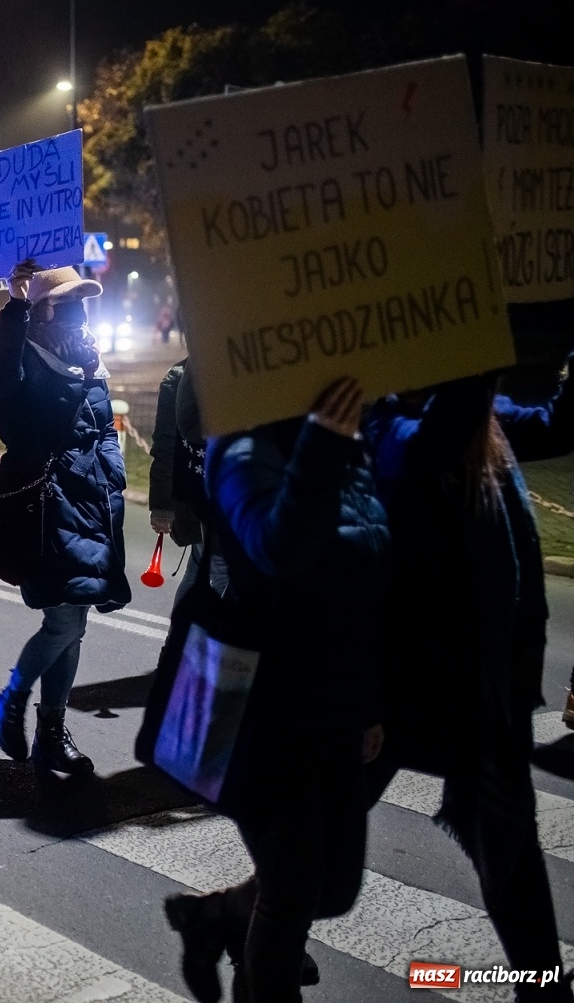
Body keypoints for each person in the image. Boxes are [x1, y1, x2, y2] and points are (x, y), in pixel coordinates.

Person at [163, 377, 388, 1003]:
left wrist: (369, 701)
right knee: (293, 889)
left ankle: (218, 917)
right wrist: (322, 444)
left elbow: (368, 573)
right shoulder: (238, 444)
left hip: (338, 699)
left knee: (335, 887)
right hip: (266, 708)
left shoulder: (351, 442)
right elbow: (278, 547)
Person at [356, 372, 573, 1003]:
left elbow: (559, 423)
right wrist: (475, 364)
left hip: (470, 682)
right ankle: (235, 917)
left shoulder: (482, 414)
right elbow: (433, 443)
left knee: (507, 836)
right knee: (322, 842)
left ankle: (541, 988)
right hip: (407, 679)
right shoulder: (382, 420)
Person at [0, 264, 129, 775]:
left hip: (92, 499)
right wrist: (16, 303)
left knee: (76, 619)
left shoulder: (89, 356)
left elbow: (105, 425)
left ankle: (50, 732)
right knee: (65, 617)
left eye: (80, 302)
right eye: (65, 302)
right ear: (43, 308)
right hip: (50, 503)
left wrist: (114, 475)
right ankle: (13, 696)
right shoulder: (22, 355)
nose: (76, 311)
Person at [147, 358, 209, 603]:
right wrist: (162, 505)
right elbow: (166, 444)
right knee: (217, 576)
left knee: (200, 573)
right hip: (201, 496)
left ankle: (178, 639)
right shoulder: (180, 377)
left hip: (216, 495)